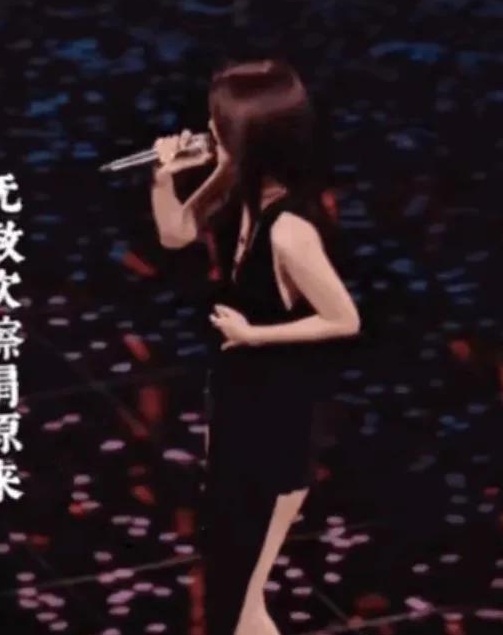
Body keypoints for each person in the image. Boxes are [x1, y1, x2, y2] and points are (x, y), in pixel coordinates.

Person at [151, 58, 361, 635]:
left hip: (278, 422)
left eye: (220, 124)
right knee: (231, 591)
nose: (208, 130)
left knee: (241, 604)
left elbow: (343, 318)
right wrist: (165, 177)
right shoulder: (239, 186)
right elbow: (176, 233)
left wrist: (255, 335)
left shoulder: (291, 231)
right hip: (237, 400)